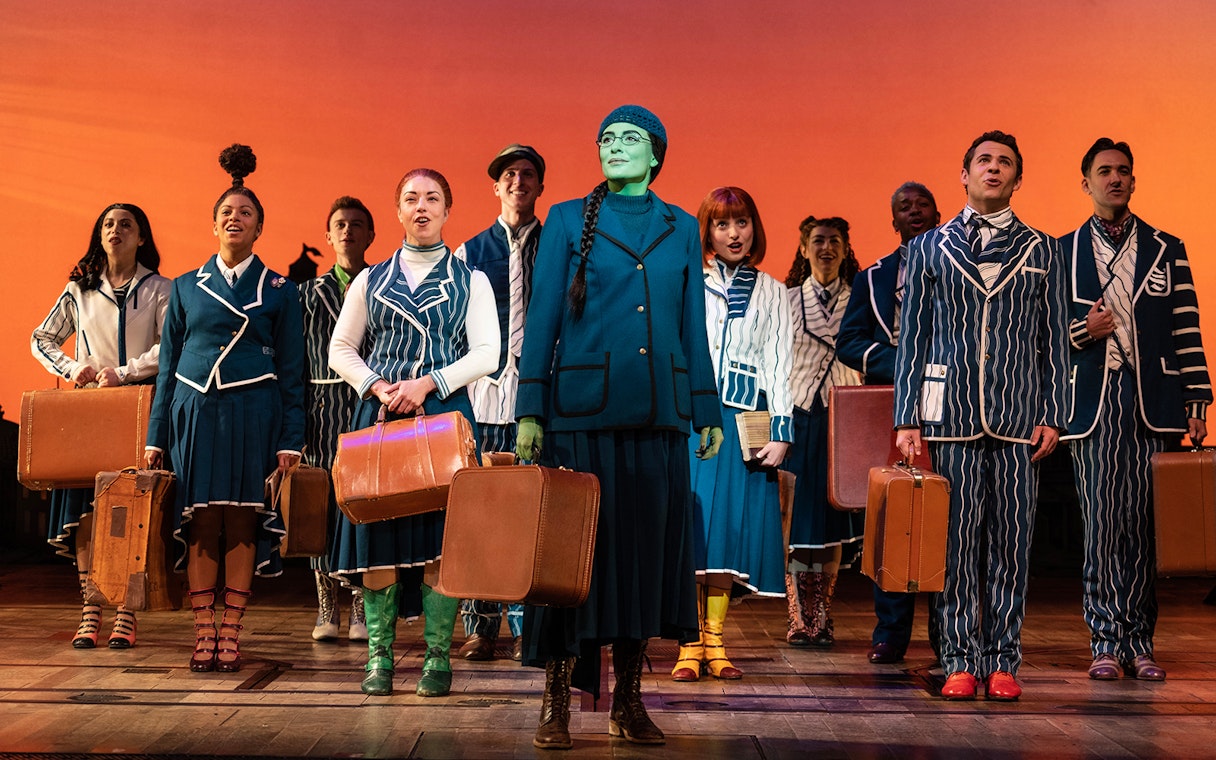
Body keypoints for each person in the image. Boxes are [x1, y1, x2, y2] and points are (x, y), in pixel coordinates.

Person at [514, 104, 722, 749]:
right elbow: (542, 314)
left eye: (630, 138)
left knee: (639, 562)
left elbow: (693, 325)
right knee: (571, 563)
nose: (615, 146)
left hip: (658, 415)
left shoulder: (680, 226)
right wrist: (529, 406)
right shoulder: (568, 218)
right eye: (607, 138)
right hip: (581, 416)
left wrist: (706, 407)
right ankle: (556, 699)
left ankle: (628, 701)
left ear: (656, 154)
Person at [894, 131, 1070, 701]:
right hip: (952, 417)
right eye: (984, 161)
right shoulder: (929, 249)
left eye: (1006, 164)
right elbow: (914, 340)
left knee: (1012, 543)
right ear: (964, 175)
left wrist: (1053, 412)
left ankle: (1003, 660)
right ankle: (959, 658)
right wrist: (907, 418)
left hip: (1019, 416)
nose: (994, 169)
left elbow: (1053, 343)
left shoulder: (1043, 249)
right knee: (959, 541)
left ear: (1017, 179)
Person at [327, 168, 499, 698]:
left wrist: (429, 382)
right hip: (381, 422)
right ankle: (378, 659)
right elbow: (340, 349)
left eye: (431, 199)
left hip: (443, 419)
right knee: (376, 542)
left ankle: (437, 658)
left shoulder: (471, 279)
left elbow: (489, 353)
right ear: (398, 212)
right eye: (410, 199)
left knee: (438, 547)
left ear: (448, 211)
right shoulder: (369, 279)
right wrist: (379, 386)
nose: (421, 207)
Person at [144, 144, 306, 674]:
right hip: (195, 410)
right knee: (199, 522)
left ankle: (231, 629)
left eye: (246, 213)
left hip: (253, 412)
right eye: (226, 213)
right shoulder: (186, 286)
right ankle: (203, 632)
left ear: (260, 228)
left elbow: (292, 371)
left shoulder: (280, 290)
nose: (234, 219)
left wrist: (291, 437)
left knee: (241, 522)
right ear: (212, 225)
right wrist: (155, 435)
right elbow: (167, 369)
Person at [1061, 138, 1211, 682]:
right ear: (1086, 182)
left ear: (1133, 179)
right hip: (1094, 403)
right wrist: (1084, 330)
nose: (1115, 179)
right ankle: (1104, 639)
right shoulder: (1064, 251)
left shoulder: (1167, 246)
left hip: (1154, 403)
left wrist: (1197, 398)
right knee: (1102, 524)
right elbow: (1045, 336)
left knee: (1146, 527)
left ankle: (1140, 641)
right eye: (1104, 171)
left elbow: (1186, 326)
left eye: (1124, 171)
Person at [32, 203, 171, 650]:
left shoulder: (160, 289)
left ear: (142, 237)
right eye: (108, 224)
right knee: (86, 517)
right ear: (99, 235)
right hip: (89, 413)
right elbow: (41, 337)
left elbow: (171, 348)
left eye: (126, 225)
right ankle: (90, 610)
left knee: (128, 512)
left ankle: (125, 611)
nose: (116, 231)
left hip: (138, 409)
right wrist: (73, 368)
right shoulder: (80, 290)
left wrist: (124, 371)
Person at [672, 186, 792, 684]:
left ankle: (715, 640)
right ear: (708, 231)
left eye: (741, 223)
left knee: (726, 538)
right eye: (722, 225)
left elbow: (780, 361)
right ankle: (688, 642)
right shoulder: (685, 283)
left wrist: (781, 430)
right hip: (691, 420)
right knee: (689, 535)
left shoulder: (772, 291)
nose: (733, 233)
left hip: (745, 422)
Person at [837, 182, 941, 664]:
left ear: (938, 213)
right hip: (894, 411)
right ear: (893, 221)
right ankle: (891, 632)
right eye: (904, 207)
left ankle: (948, 633)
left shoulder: (956, 266)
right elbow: (849, 341)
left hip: (950, 407)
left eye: (922, 204)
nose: (914, 211)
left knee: (946, 521)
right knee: (895, 518)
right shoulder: (873, 276)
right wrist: (899, 361)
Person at [451, 143, 546, 663]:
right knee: (480, 513)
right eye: (509, 174)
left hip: (534, 397)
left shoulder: (556, 245)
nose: (517, 181)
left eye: (527, 174)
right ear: (496, 186)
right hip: (481, 397)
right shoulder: (469, 251)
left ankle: (527, 623)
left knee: (530, 512)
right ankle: (482, 625)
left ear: (538, 185)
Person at [781, 216, 863, 648]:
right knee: (797, 525)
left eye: (834, 241)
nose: (826, 248)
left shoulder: (860, 300)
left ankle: (822, 615)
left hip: (841, 419)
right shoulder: (787, 299)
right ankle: (799, 616)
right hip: (797, 417)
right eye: (817, 240)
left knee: (833, 521)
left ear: (846, 248)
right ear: (803, 247)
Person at [299, 196, 377, 643]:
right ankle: (327, 607)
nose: (348, 231)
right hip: (322, 410)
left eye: (357, 224)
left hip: (368, 409)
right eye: (339, 225)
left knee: (363, 506)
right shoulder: (306, 294)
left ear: (371, 235)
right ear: (328, 236)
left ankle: (362, 609)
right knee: (323, 509)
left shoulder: (383, 285)